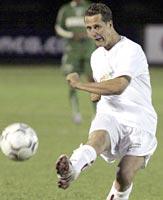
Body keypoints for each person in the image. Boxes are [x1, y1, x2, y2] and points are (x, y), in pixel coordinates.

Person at [55, 3, 157, 200]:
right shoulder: (96, 56)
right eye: (89, 28)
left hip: (140, 121)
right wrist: (96, 93)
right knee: (96, 140)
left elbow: (119, 85)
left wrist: (80, 85)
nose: (93, 33)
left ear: (109, 24)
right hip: (111, 115)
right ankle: (72, 168)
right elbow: (102, 86)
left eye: (98, 26)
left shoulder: (131, 50)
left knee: (124, 175)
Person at [55, 0, 96, 124]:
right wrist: (71, 35)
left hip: (89, 51)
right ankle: (76, 113)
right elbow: (58, 28)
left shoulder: (90, 7)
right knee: (72, 82)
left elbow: (101, 26)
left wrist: (89, 33)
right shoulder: (65, 9)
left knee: (93, 84)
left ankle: (96, 114)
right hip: (72, 53)